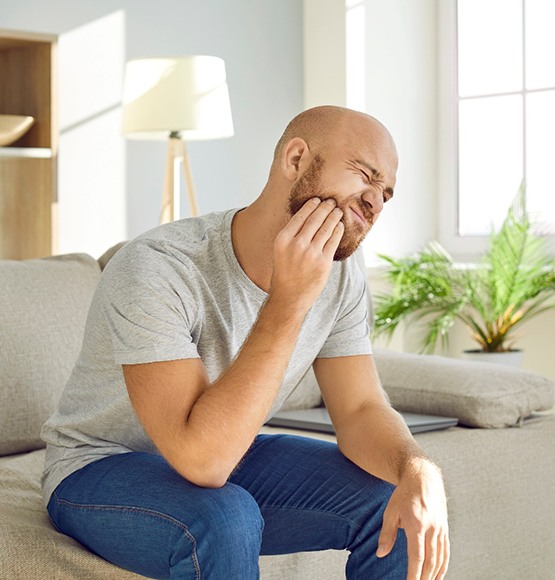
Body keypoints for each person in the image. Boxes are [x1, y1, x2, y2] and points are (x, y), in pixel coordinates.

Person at [41, 105, 449, 579]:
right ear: (296, 160)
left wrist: (415, 468)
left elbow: (359, 409)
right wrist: (289, 299)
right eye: (363, 174)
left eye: (386, 193)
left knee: (391, 496)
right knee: (225, 518)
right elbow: (204, 461)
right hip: (97, 468)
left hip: (228, 446)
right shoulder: (157, 266)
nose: (375, 201)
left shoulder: (341, 276)